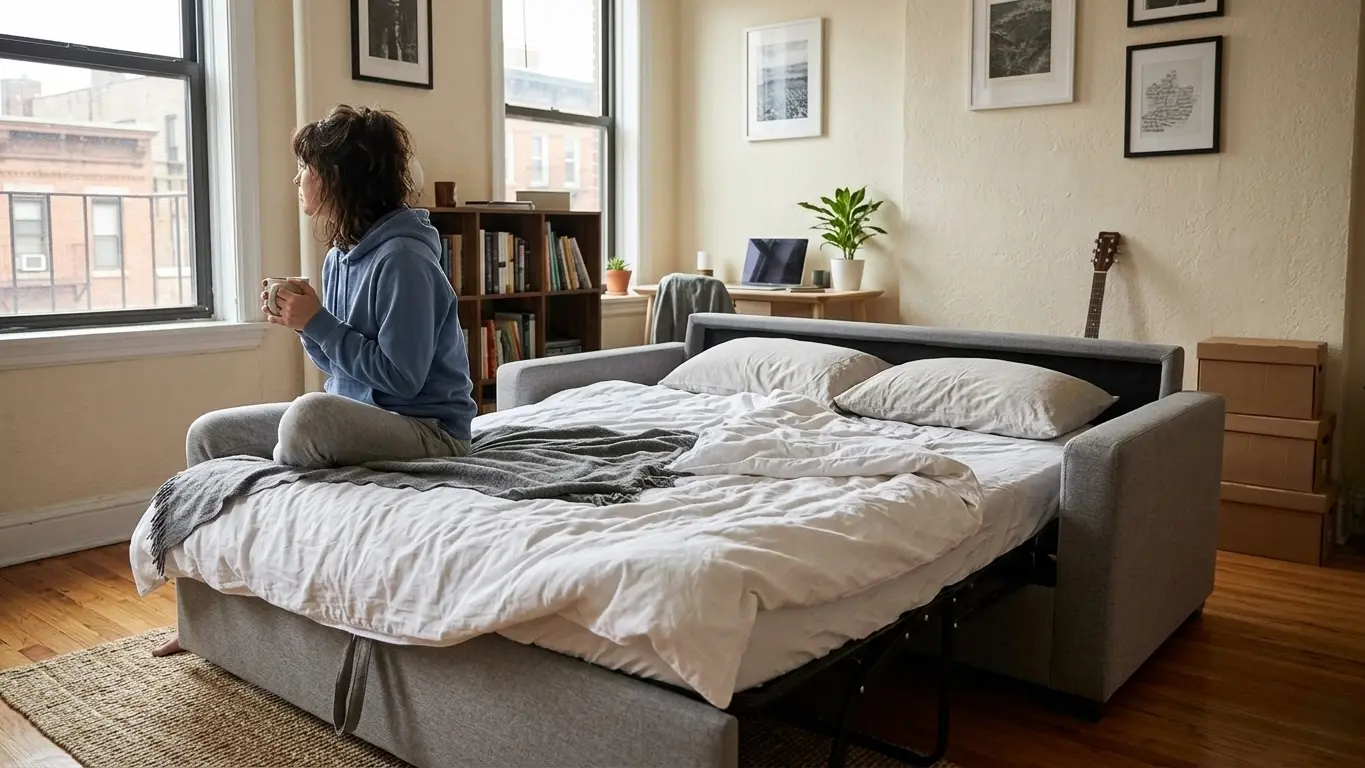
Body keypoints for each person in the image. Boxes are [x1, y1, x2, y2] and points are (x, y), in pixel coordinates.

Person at [153, 104, 477, 657]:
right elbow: (337, 369)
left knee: (308, 417)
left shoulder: (404, 260)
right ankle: (200, 617)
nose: (297, 180)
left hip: (427, 428)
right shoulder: (339, 256)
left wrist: (319, 321)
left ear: (336, 178)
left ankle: (283, 556)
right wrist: (301, 321)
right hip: (363, 416)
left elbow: (402, 379)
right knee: (210, 434)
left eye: (306, 168)